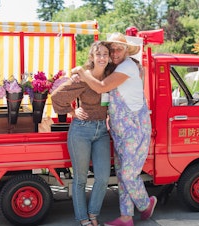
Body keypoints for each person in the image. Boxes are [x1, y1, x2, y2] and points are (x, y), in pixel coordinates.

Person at [72, 32, 157, 226]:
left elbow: (101, 87)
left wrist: (83, 73)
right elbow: (87, 73)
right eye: (112, 49)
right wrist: (77, 73)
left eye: (119, 48)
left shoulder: (127, 66)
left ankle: (146, 203)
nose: (115, 52)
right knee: (121, 174)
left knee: (128, 174)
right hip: (120, 130)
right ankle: (126, 217)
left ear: (127, 50)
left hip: (134, 130)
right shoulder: (116, 67)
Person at [51, 41, 115, 226]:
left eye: (105, 54)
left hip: (102, 131)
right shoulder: (83, 78)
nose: (102, 57)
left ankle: (93, 213)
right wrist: (72, 112)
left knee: (103, 178)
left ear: (109, 57)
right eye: (98, 54)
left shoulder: (110, 77)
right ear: (92, 58)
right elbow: (57, 97)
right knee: (80, 179)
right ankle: (83, 218)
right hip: (81, 130)